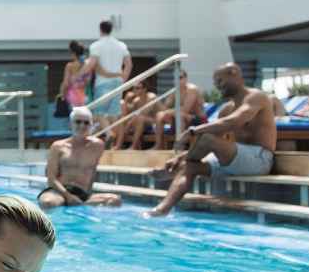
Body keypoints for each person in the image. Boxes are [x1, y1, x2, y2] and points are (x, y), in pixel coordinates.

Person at [144, 63, 277, 218]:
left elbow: (234, 122)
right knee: (190, 167)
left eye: (220, 81)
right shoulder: (226, 109)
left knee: (206, 138)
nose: (217, 86)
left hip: (259, 159)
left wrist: (192, 131)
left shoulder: (256, 97)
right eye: (216, 83)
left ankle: (172, 171)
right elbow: (211, 144)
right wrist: (180, 157)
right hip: (236, 159)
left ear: (234, 73)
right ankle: (161, 210)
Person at [39, 106, 123, 209]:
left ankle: (79, 206)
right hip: (59, 192)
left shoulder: (98, 146)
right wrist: (68, 196)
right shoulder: (58, 146)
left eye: (86, 123)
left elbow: (93, 171)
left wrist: (85, 197)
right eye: (78, 122)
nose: (82, 125)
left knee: (115, 200)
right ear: (71, 124)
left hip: (82, 194)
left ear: (91, 125)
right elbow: (51, 179)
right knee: (48, 203)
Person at [81, 20, 132, 146]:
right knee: (113, 114)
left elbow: (91, 64)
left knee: (98, 112)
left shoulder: (96, 46)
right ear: (111, 29)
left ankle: (109, 134)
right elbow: (129, 64)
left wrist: (79, 75)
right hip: (118, 82)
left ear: (100, 30)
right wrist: (123, 80)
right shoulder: (121, 45)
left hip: (103, 83)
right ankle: (114, 143)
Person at [151, 70, 207, 150]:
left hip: (198, 120)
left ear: (186, 78)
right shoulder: (175, 91)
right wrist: (156, 101)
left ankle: (180, 146)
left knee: (179, 115)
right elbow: (165, 108)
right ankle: (158, 145)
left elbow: (185, 110)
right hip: (183, 119)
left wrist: (169, 112)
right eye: (176, 78)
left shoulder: (192, 89)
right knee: (159, 115)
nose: (178, 80)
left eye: (180, 78)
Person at [113, 81, 158, 150]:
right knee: (122, 119)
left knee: (139, 118)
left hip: (155, 121)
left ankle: (133, 146)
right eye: (133, 88)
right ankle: (118, 146)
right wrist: (126, 100)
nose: (134, 90)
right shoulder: (136, 101)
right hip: (142, 122)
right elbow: (126, 115)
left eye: (137, 88)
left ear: (144, 89)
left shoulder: (151, 96)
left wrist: (128, 125)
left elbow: (144, 112)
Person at [58, 40, 92, 109]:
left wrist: (62, 94)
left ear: (73, 53)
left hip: (73, 96)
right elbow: (89, 81)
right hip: (86, 96)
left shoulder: (70, 66)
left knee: (74, 117)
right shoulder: (87, 66)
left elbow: (66, 83)